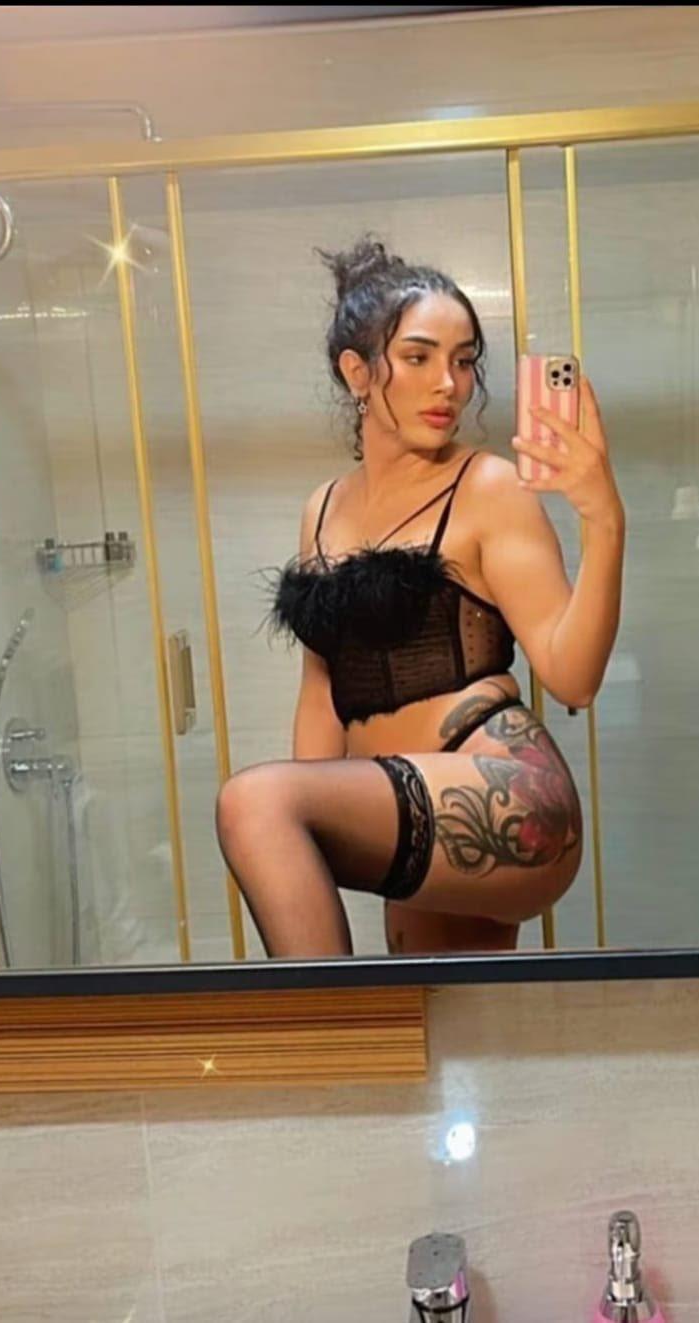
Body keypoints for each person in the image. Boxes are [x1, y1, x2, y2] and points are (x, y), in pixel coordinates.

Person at [215, 235, 625, 959]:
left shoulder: (487, 487)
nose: (449, 385)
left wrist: (604, 519)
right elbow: (323, 693)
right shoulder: (322, 509)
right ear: (357, 372)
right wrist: (328, 811)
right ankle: (349, 1029)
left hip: (508, 790)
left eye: (463, 361)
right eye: (419, 357)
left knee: (252, 801)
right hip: (409, 804)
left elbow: (573, 677)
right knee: (440, 1008)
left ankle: (324, 1031)